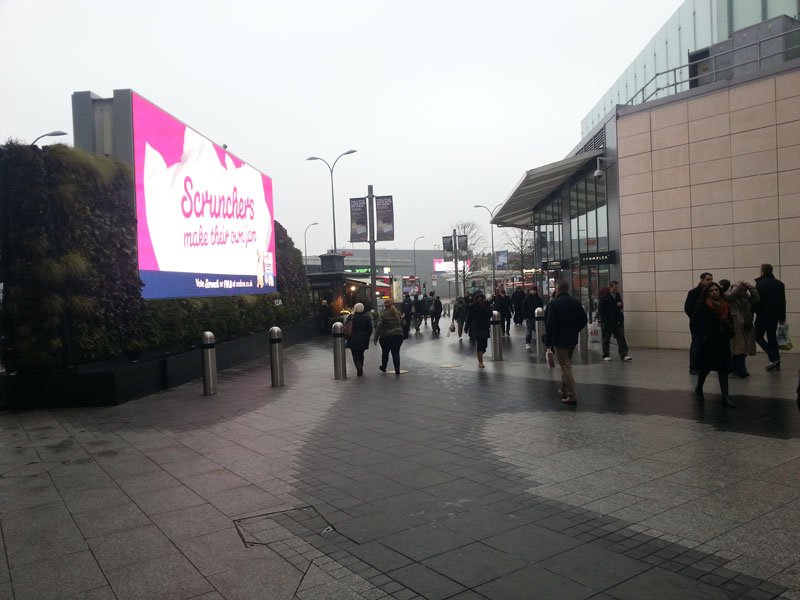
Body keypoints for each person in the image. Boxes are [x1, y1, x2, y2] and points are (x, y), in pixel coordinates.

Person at [691, 282, 736, 407]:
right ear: (707, 293)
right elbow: (694, 323)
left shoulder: (724, 305)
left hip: (722, 341)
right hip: (708, 342)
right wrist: (702, 337)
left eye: (717, 290)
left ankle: (725, 396)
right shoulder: (702, 305)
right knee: (705, 368)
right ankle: (699, 388)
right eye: (712, 290)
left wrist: (730, 333)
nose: (715, 292)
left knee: (723, 369)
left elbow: (729, 320)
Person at [545, 281, 588, 405]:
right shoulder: (575, 302)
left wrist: (549, 342)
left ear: (557, 290)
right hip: (572, 339)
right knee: (567, 365)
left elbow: (550, 324)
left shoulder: (554, 304)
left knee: (565, 366)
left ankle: (571, 394)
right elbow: (584, 319)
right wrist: (575, 329)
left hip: (560, 340)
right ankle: (563, 389)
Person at [754, 263, 786, 371]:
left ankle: (773, 357)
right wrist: (783, 317)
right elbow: (783, 302)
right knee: (772, 337)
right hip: (775, 315)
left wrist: (752, 311)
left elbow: (757, 300)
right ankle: (775, 363)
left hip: (762, 315)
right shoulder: (780, 284)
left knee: (757, 336)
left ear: (762, 271)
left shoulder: (760, 284)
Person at [725, 281, 759, 378]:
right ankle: (741, 371)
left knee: (741, 349)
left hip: (746, 326)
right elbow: (731, 295)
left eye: (744, 290)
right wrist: (738, 285)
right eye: (740, 290)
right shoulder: (728, 297)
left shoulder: (746, 298)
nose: (742, 292)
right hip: (735, 326)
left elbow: (756, 298)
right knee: (739, 349)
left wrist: (750, 287)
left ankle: (735, 369)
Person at [685, 272, 714, 374]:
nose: (710, 281)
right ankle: (693, 367)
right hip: (697, 325)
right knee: (696, 345)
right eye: (708, 279)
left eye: (711, 279)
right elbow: (688, 308)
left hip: (708, 325)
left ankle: (702, 365)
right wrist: (695, 319)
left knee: (705, 346)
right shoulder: (694, 292)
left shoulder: (711, 293)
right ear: (702, 280)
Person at [598, 281, 631, 361]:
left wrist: (620, 305)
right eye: (615, 287)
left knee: (621, 337)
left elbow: (620, 306)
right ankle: (606, 355)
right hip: (607, 322)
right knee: (606, 338)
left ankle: (624, 354)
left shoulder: (617, 295)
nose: (616, 289)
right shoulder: (605, 297)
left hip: (617, 321)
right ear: (611, 287)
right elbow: (600, 309)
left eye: (617, 287)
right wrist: (605, 319)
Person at [374, 299, 405, 374]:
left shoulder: (383, 314)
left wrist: (376, 338)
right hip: (398, 335)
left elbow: (379, 327)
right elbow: (401, 323)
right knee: (396, 353)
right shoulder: (397, 312)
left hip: (386, 336)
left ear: (385, 306)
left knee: (385, 352)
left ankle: (384, 367)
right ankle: (397, 370)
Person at [344, 303, 372, 376]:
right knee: (361, 353)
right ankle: (361, 367)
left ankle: (358, 367)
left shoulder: (351, 317)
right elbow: (370, 329)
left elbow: (346, 326)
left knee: (355, 354)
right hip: (363, 338)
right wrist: (367, 336)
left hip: (352, 338)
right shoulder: (366, 318)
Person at [465, 292, 492, 368]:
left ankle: (479, 355)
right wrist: (466, 327)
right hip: (476, 327)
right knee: (480, 344)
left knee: (485, 346)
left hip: (485, 327)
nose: (479, 299)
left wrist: (485, 307)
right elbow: (469, 317)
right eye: (478, 298)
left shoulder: (486, 304)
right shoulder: (473, 306)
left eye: (481, 298)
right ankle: (480, 362)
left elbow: (490, 314)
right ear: (476, 299)